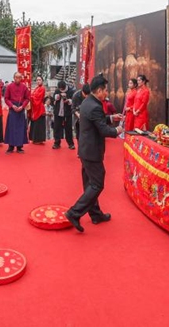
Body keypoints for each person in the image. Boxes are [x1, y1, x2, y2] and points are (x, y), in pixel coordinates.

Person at [64, 74, 123, 232]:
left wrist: (111, 117)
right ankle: (74, 212)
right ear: (98, 90)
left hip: (85, 149)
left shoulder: (87, 102)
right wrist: (117, 130)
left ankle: (95, 214)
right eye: (105, 90)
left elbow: (98, 119)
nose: (106, 94)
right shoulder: (95, 105)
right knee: (97, 184)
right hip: (92, 152)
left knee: (89, 183)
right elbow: (103, 129)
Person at [4, 72, 30, 154]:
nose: (18, 79)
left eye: (19, 77)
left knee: (20, 129)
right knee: (11, 128)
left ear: (21, 78)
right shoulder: (9, 87)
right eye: (16, 77)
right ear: (14, 77)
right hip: (13, 109)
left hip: (20, 108)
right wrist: (11, 106)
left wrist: (22, 106)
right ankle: (10, 146)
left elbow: (27, 98)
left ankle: (19, 146)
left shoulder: (24, 87)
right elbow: (6, 98)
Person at [51, 80, 76, 150]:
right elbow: (54, 99)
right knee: (56, 128)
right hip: (58, 112)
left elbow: (73, 101)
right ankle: (56, 143)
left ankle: (71, 143)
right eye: (60, 89)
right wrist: (58, 96)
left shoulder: (71, 91)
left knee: (68, 128)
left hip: (67, 113)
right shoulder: (57, 91)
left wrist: (68, 100)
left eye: (62, 89)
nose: (61, 90)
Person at [28, 76, 47, 145]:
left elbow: (38, 98)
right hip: (35, 108)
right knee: (35, 124)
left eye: (39, 80)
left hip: (39, 108)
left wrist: (31, 97)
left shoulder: (42, 88)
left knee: (39, 125)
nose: (38, 81)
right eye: (37, 80)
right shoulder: (36, 88)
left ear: (42, 81)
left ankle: (39, 139)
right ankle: (34, 139)